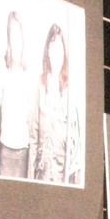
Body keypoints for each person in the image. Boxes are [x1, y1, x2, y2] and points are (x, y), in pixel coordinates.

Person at [29, 23, 81, 184]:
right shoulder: (40, 85)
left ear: (64, 53)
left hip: (61, 176)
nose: (55, 53)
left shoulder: (70, 91)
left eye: (59, 49)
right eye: (52, 48)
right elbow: (33, 134)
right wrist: (30, 179)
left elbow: (75, 144)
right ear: (48, 51)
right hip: (42, 173)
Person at [0, 12, 36, 178]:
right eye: (12, 36)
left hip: (24, 151)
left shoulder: (29, 74)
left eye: (19, 36)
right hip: (6, 150)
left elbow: (33, 116)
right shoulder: (3, 68)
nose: (16, 42)